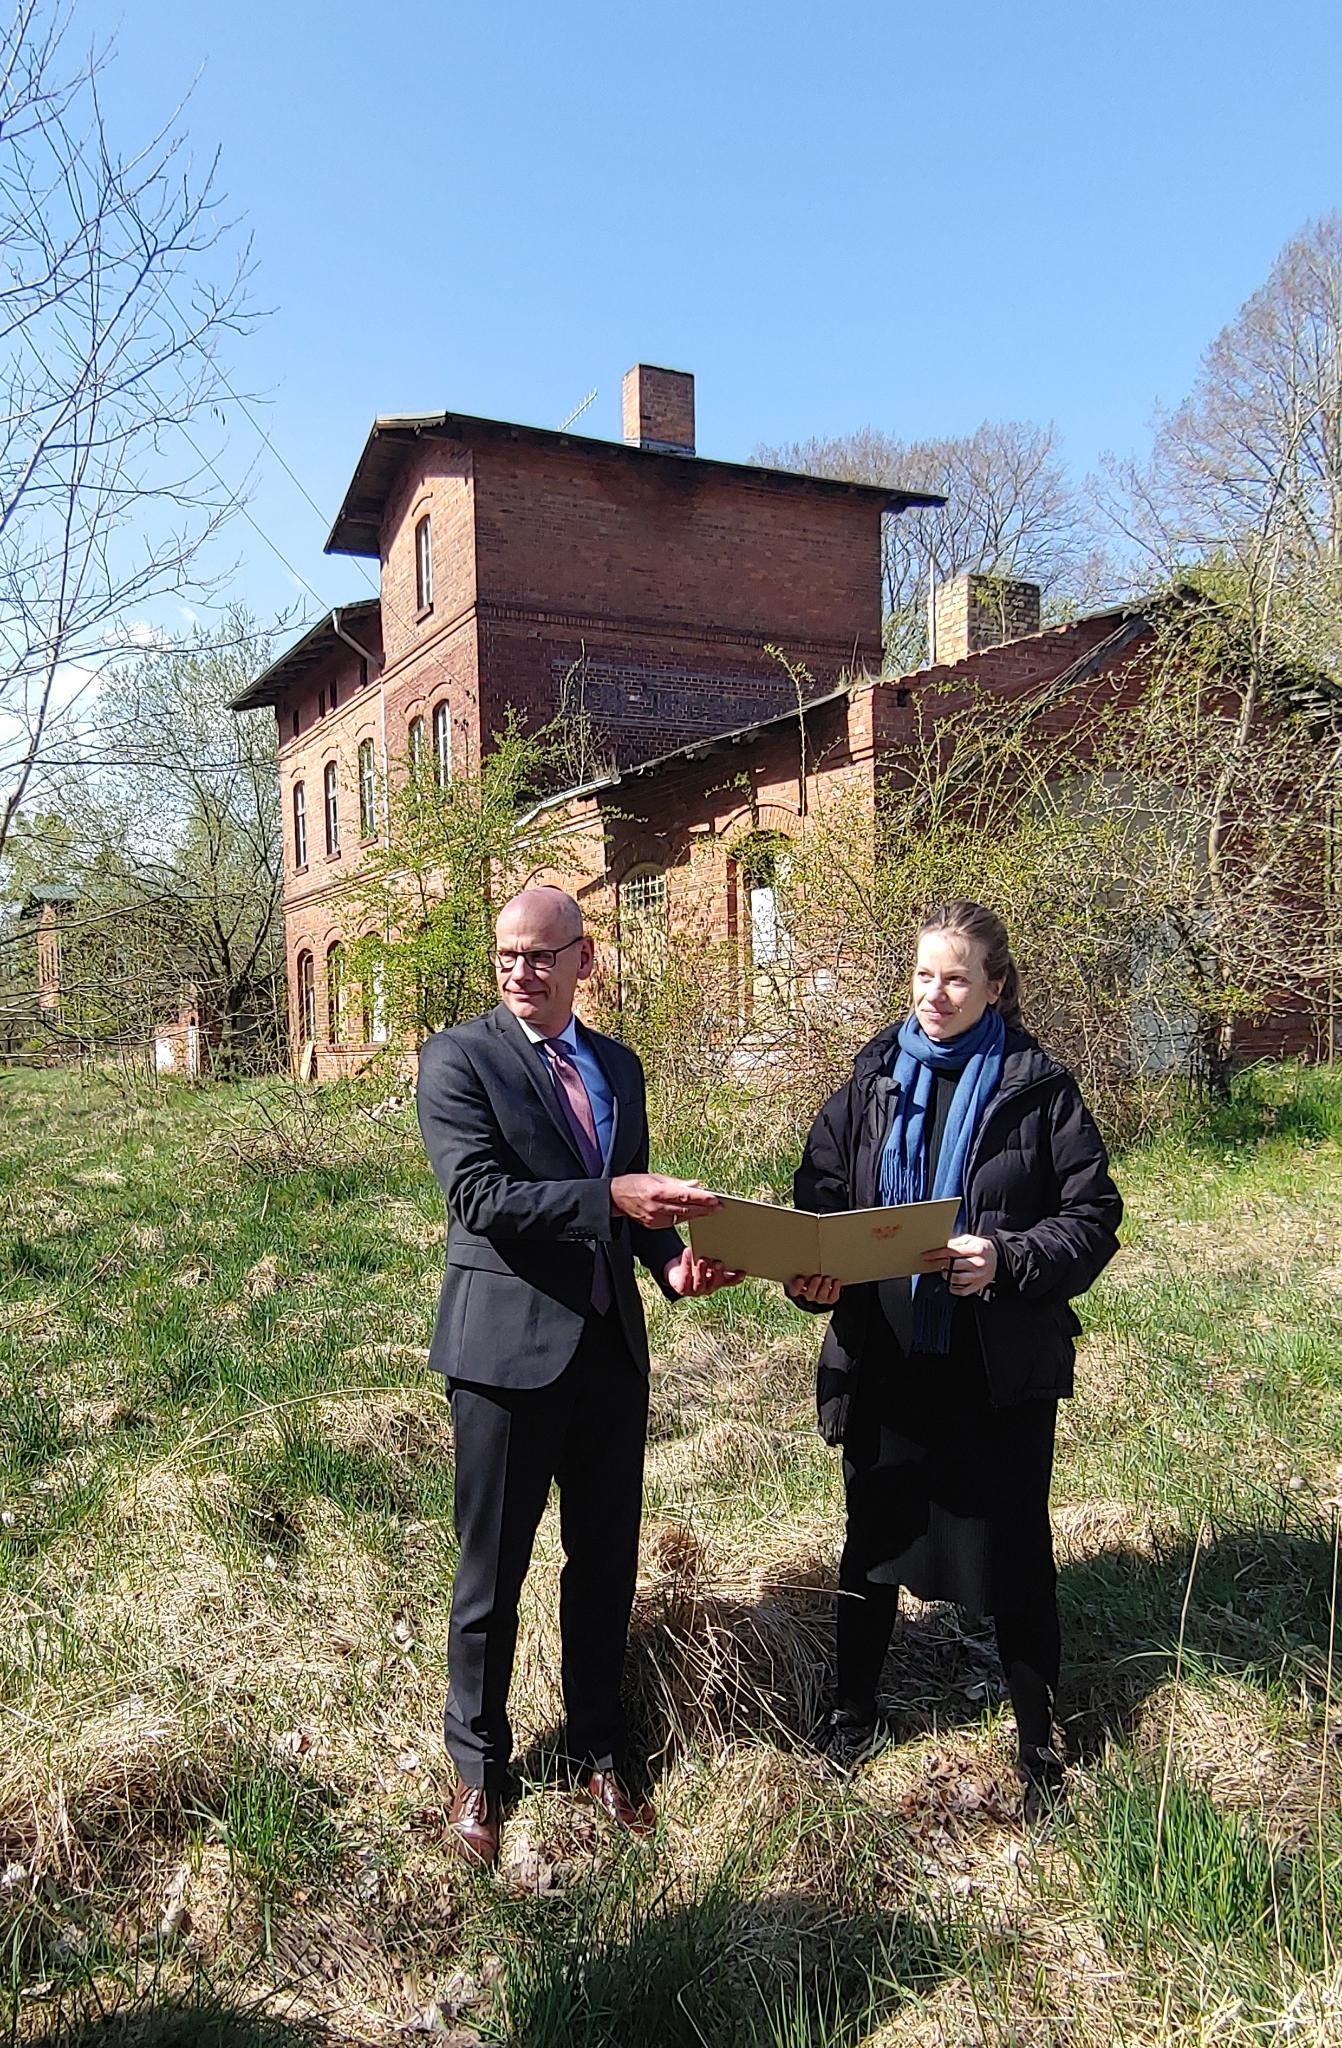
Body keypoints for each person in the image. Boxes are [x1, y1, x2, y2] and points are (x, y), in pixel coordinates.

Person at [416, 885, 740, 1866]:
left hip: (608, 1352)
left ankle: (600, 1744)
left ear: (583, 959)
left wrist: (673, 1263)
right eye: (508, 953)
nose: (522, 969)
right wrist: (610, 1194)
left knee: (602, 1566)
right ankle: (481, 1766)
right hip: (504, 1356)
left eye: (542, 954)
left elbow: (631, 1200)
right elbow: (482, 1195)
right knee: (492, 1574)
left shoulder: (618, 1066)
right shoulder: (457, 1058)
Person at [787, 900, 1121, 1816]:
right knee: (873, 1541)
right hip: (884, 1359)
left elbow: (1093, 1221)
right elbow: (815, 1198)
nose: (936, 995)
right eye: (925, 976)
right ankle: (852, 1716)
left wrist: (1007, 1259)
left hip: (993, 1366)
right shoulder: (869, 1082)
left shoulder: (1037, 1089)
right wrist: (808, 1277)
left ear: (995, 988)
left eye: (957, 978)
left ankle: (1039, 1741)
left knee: (1015, 1549)